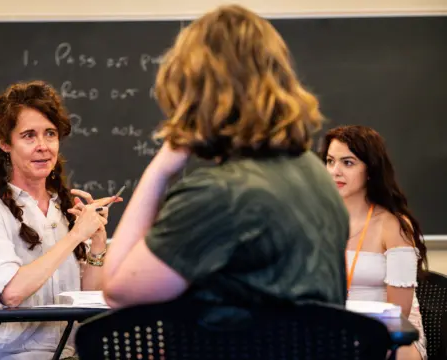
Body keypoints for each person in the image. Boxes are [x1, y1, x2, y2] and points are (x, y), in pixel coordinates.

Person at [101, 5, 349, 311]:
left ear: (195, 93)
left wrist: (160, 171)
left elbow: (116, 289)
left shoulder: (218, 194)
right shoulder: (315, 173)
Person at [0, 80, 120, 360]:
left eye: (50, 134)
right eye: (29, 136)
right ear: (5, 143)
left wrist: (97, 241)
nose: (43, 146)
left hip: (69, 352)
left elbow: (88, 298)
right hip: (12, 355)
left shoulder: (62, 208)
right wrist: (74, 236)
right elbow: (12, 292)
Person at [320, 125, 428, 360]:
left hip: (390, 333)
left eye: (347, 163)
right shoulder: (318, 221)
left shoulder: (394, 226)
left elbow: (398, 314)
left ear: (370, 170)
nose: (334, 171)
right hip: (336, 329)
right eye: (330, 161)